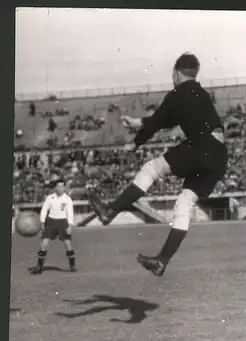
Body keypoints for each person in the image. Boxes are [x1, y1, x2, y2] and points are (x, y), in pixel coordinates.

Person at [87, 53, 228, 278]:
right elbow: (167, 120)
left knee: (151, 169)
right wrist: (139, 123)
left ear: (176, 73)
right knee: (185, 203)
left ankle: (110, 211)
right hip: (219, 155)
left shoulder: (178, 92)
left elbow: (157, 122)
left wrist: (135, 142)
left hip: (202, 146)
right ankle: (162, 261)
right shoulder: (200, 94)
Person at [30, 180, 76, 274]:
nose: (61, 188)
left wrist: (70, 225)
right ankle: (39, 266)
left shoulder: (67, 199)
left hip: (63, 222)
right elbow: (44, 210)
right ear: (55, 188)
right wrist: (42, 222)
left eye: (62, 186)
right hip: (51, 222)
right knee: (44, 244)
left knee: (67, 244)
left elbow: (70, 213)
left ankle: (72, 266)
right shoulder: (50, 198)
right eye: (59, 186)